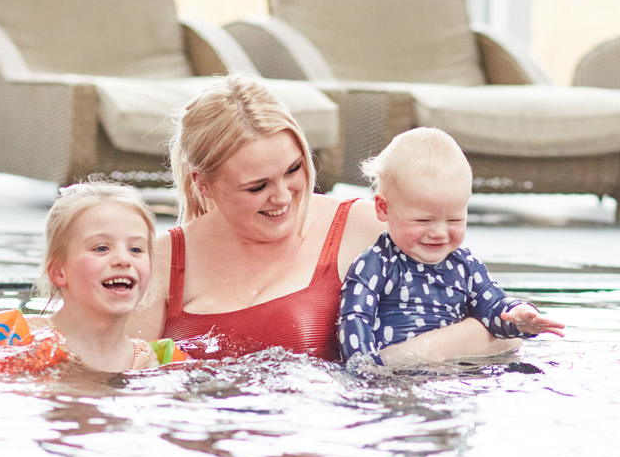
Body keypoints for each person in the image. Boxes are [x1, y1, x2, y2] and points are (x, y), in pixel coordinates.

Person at [129, 74, 536, 365]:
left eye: (294, 170)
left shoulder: (366, 229)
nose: (283, 197)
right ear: (203, 185)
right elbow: (116, 376)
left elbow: (499, 332)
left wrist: (390, 363)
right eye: (257, 187)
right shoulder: (161, 260)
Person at [339, 128, 565, 365]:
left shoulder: (466, 265)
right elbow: (355, 319)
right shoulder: (376, 264)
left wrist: (518, 316)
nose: (439, 233)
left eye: (454, 220)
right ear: (384, 208)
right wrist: (364, 369)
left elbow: (493, 310)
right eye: (423, 220)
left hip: (454, 373)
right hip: (395, 377)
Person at [0, 181, 185, 373]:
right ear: (58, 271)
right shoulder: (8, 340)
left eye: (136, 249)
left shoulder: (153, 364)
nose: (123, 260)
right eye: (101, 248)